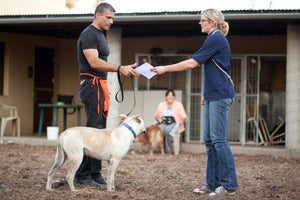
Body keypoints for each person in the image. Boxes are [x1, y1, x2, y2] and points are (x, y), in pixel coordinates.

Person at [151, 8, 238, 196]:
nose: (200, 23)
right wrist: (206, 93)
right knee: (209, 140)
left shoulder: (216, 38)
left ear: (212, 23)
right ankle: (212, 183)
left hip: (221, 95)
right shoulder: (212, 38)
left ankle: (229, 185)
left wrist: (164, 68)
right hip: (213, 95)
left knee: (218, 140)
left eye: (202, 20)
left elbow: (192, 63)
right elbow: (213, 70)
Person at [76, 3, 139, 187]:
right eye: (108, 17)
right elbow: (94, 62)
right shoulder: (88, 34)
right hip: (91, 85)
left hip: (100, 85)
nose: (111, 21)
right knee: (93, 130)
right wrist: (120, 68)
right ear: (97, 15)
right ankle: (82, 175)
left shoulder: (100, 34)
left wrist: (124, 69)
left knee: (100, 130)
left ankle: (95, 173)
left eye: (113, 18)